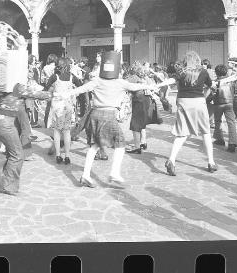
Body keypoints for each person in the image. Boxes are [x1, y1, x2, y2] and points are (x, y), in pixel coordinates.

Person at [66, 51, 171, 187]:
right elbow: (136, 86)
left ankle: (86, 175)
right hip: (108, 116)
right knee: (120, 145)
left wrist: (63, 94)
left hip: (95, 114)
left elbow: (80, 89)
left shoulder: (96, 81)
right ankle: (114, 173)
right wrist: (151, 86)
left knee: (95, 146)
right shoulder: (120, 83)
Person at [0, 82, 53, 195]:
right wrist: (55, 94)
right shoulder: (18, 87)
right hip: (6, 125)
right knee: (18, 155)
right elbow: (38, 94)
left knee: (10, 151)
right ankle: (8, 186)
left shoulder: (1, 87)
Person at [165, 51, 218, 177]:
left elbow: (172, 81)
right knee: (206, 132)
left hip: (183, 102)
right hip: (199, 102)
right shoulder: (203, 72)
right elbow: (211, 86)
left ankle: (171, 159)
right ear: (197, 60)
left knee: (182, 133)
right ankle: (211, 162)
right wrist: (208, 92)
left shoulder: (181, 72)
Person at [47, 58, 80, 164]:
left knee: (56, 131)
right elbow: (80, 84)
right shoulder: (71, 76)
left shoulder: (54, 76)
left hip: (57, 108)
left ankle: (58, 155)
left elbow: (46, 87)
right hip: (68, 107)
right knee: (67, 132)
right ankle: (67, 156)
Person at [125, 62, 163, 155]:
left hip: (138, 101)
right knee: (142, 123)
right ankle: (143, 142)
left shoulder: (133, 77)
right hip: (146, 100)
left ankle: (137, 147)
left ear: (133, 69)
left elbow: (124, 84)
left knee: (135, 124)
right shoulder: (145, 77)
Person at [211, 64, 237, 153]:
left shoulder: (216, 82)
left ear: (216, 73)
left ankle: (220, 139)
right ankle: (232, 142)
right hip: (230, 103)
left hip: (218, 104)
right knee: (231, 123)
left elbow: (213, 93)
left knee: (218, 121)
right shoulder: (231, 81)